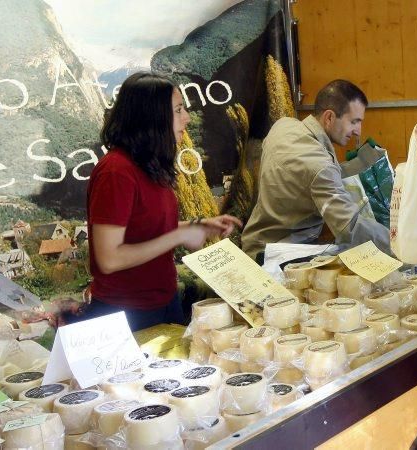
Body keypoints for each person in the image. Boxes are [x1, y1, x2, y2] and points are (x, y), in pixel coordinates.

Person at [74, 73, 242, 332]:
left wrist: (197, 224)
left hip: (164, 302)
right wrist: (178, 236)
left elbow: (145, 227)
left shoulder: (150, 164)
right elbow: (109, 257)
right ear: (151, 118)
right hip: (127, 315)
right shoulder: (116, 172)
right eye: (178, 110)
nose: (186, 118)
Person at [241, 80, 389, 263]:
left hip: (254, 243)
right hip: (277, 257)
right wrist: (399, 244)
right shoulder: (320, 167)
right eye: (354, 122)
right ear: (329, 118)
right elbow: (349, 227)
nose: (358, 131)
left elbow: (304, 173)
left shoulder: (283, 126)